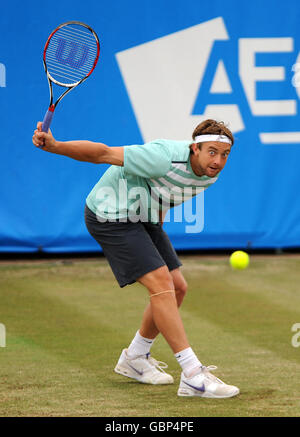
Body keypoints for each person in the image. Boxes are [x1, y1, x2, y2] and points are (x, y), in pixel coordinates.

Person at [32, 118, 239, 399]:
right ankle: (192, 374)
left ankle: (135, 357)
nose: (218, 160)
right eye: (212, 151)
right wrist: (55, 146)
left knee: (177, 287)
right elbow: (102, 153)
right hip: (110, 214)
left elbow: (165, 196)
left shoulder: (209, 175)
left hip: (144, 217)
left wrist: (155, 240)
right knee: (162, 284)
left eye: (224, 154)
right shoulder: (161, 158)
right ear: (195, 149)